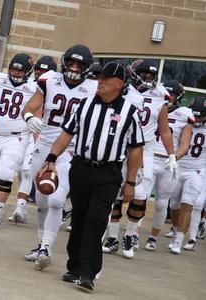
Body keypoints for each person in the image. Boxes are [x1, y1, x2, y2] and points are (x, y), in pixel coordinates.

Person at [39, 62, 144, 291]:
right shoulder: (84, 105)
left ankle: (88, 272)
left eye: (105, 79)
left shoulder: (130, 112)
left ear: (119, 84)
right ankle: (74, 266)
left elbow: (136, 148)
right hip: (81, 168)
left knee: (96, 220)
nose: (100, 82)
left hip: (109, 172)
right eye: (98, 78)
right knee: (79, 218)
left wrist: (131, 182)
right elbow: (67, 132)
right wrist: (51, 157)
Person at [20, 45, 97, 269]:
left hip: (69, 149)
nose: (74, 68)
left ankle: (46, 247)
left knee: (56, 199)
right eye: (71, 63)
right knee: (43, 199)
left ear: (87, 68)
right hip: (43, 145)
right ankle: (41, 244)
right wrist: (27, 117)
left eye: (79, 65)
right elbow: (30, 106)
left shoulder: (93, 88)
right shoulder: (49, 79)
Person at [104, 60, 176, 259]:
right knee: (116, 193)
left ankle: (129, 236)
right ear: (134, 73)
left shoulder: (160, 96)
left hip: (146, 149)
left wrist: (171, 154)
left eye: (152, 76)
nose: (148, 78)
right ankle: (111, 238)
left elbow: (164, 129)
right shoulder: (122, 91)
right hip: (121, 147)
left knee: (140, 194)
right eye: (145, 74)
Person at [0, 53, 35, 228]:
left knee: (5, 173)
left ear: (28, 72)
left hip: (17, 136)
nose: (16, 73)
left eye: (20, 71)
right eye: (13, 69)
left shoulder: (34, 88)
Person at [143, 80, 193, 251]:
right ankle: (133, 235)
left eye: (173, 94)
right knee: (140, 197)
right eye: (168, 93)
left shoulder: (184, 114)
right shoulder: (154, 105)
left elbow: (185, 144)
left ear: (179, 96)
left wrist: (174, 157)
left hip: (169, 163)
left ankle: (153, 238)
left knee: (161, 204)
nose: (170, 97)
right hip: (149, 157)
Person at [10, 55, 57, 224]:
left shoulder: (53, 86)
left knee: (29, 171)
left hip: (42, 133)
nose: (40, 73)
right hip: (23, 130)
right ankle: (21, 205)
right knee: (22, 171)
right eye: (38, 69)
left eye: (45, 70)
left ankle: (21, 207)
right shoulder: (29, 84)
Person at [166, 96, 206, 253]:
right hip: (179, 166)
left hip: (197, 169)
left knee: (188, 203)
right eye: (194, 115)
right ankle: (176, 230)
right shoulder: (183, 121)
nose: (196, 119)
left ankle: (179, 240)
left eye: (200, 115)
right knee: (174, 204)